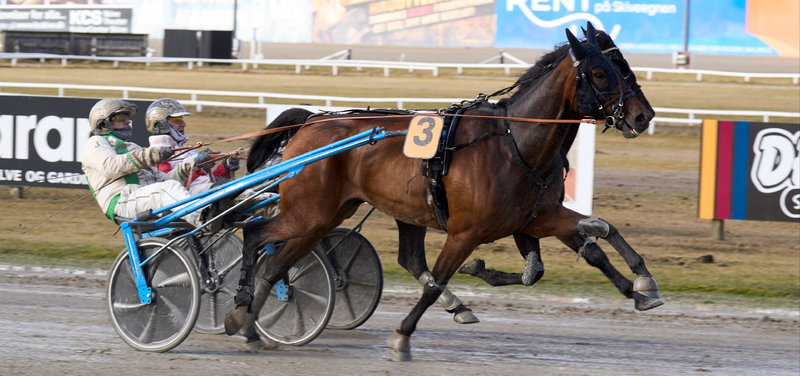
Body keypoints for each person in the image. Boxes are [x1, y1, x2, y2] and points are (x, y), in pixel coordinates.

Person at [80, 98, 209, 227]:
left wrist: (192, 163)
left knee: (203, 190)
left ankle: (218, 223)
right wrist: (150, 155)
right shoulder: (96, 142)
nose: (128, 121)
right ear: (103, 123)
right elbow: (110, 167)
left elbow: (162, 180)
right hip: (122, 201)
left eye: (128, 117)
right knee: (166, 190)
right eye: (121, 117)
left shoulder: (133, 147)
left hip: (143, 196)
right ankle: (204, 220)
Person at [145, 98, 240, 194]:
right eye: (177, 120)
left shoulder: (185, 149)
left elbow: (206, 181)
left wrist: (225, 167)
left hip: (205, 194)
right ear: (161, 124)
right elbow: (171, 187)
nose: (184, 124)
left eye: (182, 119)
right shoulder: (157, 155)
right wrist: (199, 169)